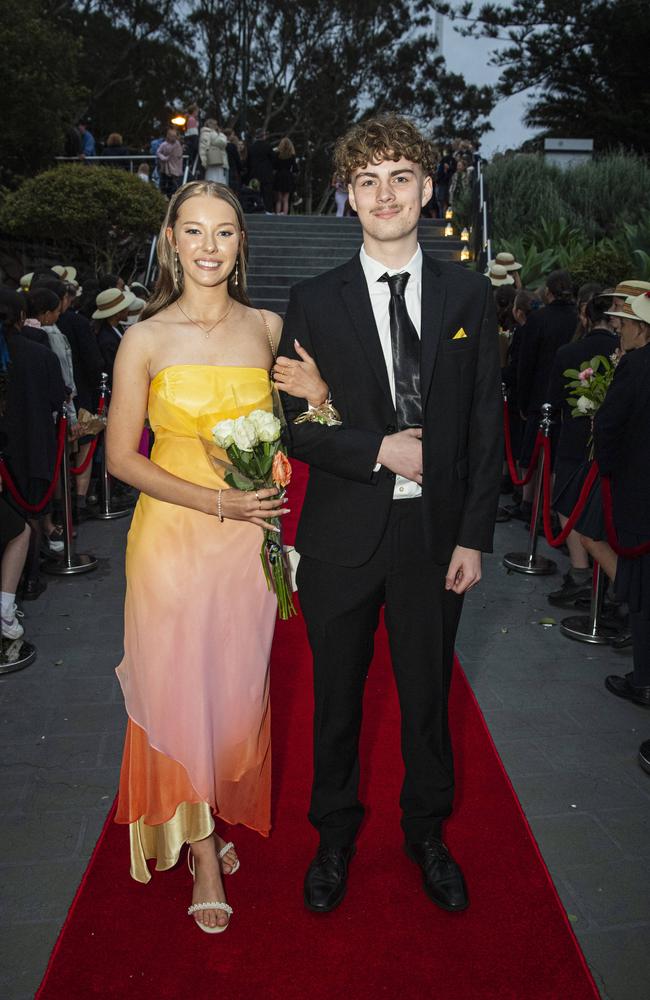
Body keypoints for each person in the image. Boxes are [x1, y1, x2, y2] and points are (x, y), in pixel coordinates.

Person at [275, 114, 502, 914]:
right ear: (349, 193)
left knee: (426, 696)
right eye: (367, 179)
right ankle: (333, 836)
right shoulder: (311, 299)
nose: (384, 193)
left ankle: (427, 833)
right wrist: (379, 448)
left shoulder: (469, 294)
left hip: (434, 539)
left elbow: (484, 426)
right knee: (336, 699)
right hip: (342, 536)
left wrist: (475, 534)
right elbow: (294, 427)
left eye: (400, 176)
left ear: (427, 190)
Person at [106, 179, 326, 933]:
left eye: (223, 232)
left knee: (232, 694)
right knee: (177, 692)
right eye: (193, 231)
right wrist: (217, 502)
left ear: (241, 244)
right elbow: (120, 460)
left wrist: (320, 396)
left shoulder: (267, 329)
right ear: (172, 240)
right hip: (171, 540)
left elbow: (308, 427)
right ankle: (201, 851)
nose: (208, 246)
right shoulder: (144, 338)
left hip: (246, 549)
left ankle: (207, 814)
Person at [594, 293, 650, 708]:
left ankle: (643, 678)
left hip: (638, 493)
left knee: (644, 593)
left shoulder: (634, 366)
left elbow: (609, 424)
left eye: (627, 324)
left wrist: (610, 472)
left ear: (643, 330)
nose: (620, 328)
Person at [547, 290, 619, 606]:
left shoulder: (569, 352)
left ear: (585, 316)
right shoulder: (623, 351)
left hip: (575, 439)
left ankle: (580, 572)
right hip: (614, 444)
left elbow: (555, 396)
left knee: (568, 505)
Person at [0, 288, 65, 600]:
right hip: (34, 444)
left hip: (9, 449)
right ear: (22, 317)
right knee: (32, 515)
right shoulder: (41, 354)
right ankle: (29, 579)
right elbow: (57, 398)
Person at [93, 287, 135, 385]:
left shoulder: (118, 328)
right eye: (125, 307)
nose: (128, 310)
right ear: (117, 314)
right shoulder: (107, 340)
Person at [247, 130, 275, 213]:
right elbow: (273, 159)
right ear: (264, 136)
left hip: (255, 173)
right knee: (267, 194)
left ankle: (255, 209)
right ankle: (268, 210)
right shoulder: (268, 146)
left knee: (255, 193)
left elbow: (249, 161)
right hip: (266, 174)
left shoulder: (252, 147)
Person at [198, 119, 228, 184]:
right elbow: (222, 143)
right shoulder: (210, 133)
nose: (216, 126)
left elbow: (203, 148)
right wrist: (221, 134)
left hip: (212, 160)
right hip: (214, 160)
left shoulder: (205, 133)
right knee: (216, 180)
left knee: (213, 179)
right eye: (214, 124)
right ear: (209, 124)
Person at [157, 128, 184, 198]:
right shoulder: (164, 144)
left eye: (175, 136)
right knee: (164, 180)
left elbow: (179, 153)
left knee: (173, 181)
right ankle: (164, 194)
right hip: (165, 166)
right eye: (172, 136)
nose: (174, 138)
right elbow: (158, 152)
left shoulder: (177, 144)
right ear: (168, 136)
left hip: (174, 165)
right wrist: (164, 158)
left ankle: (171, 195)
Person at [273, 137, 297, 215]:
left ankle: (277, 214)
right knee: (286, 199)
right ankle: (285, 215)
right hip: (288, 177)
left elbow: (274, 166)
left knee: (278, 199)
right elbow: (295, 168)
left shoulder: (277, 154)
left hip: (279, 176)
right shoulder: (292, 155)